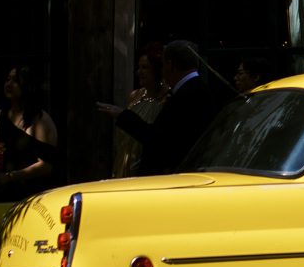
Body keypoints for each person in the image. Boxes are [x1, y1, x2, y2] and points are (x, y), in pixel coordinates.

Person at [99, 39, 232, 176]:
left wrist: (123, 115)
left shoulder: (188, 95)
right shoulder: (193, 90)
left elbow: (160, 140)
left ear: (170, 65)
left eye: (162, 65)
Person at [0, 65, 62, 203]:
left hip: (33, 196)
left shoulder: (40, 120)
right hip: (3, 194)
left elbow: (46, 166)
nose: (9, 84)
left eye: (15, 81)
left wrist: (11, 176)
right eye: (7, 79)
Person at [112, 42, 167, 177]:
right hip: (125, 157)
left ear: (157, 69)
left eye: (145, 67)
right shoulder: (135, 96)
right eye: (139, 67)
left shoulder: (165, 99)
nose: (139, 72)